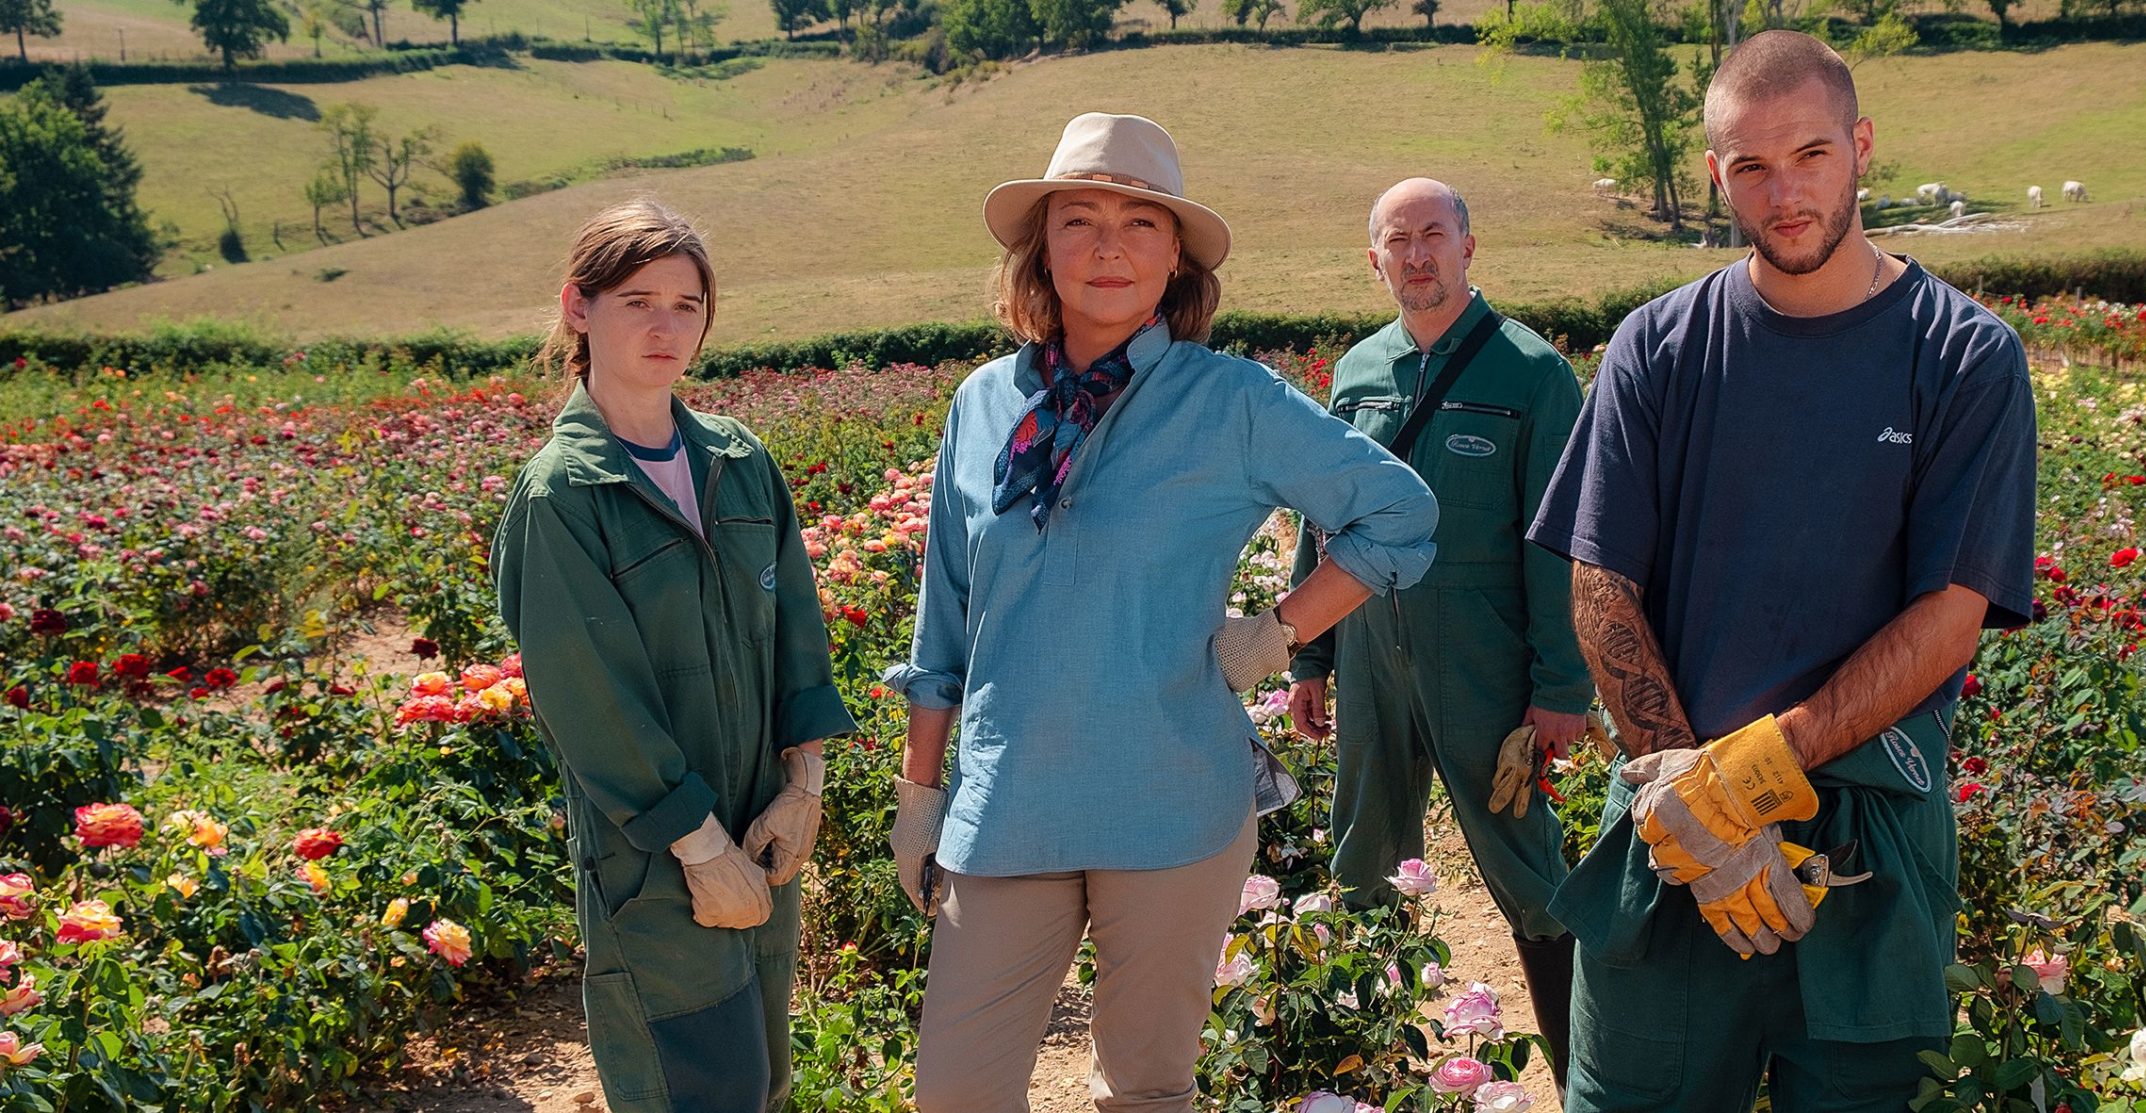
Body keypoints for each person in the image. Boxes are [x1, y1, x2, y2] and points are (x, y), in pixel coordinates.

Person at [882, 112, 1441, 1113]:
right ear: (1039, 248)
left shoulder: (1227, 400)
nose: (1106, 247)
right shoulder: (981, 404)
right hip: (1009, 804)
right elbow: (944, 623)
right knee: (954, 1094)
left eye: (1139, 224)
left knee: (1143, 1091)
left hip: (1171, 799)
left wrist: (1273, 635)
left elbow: (1398, 510)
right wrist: (920, 796)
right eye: (1078, 220)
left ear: (1174, 256)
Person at [1525, 31, 2040, 1112]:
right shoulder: (1657, 346)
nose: (1784, 192)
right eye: (1750, 167)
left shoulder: (1961, 355)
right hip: (1668, 838)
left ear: (1859, 148)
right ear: (1718, 176)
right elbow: (1600, 587)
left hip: (1865, 842)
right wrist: (1690, 803)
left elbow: (1949, 618)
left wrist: (1744, 782)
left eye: (1808, 155)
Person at [492, 198, 854, 1113]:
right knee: (696, 1085)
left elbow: (797, 631)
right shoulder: (565, 493)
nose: (666, 326)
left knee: (764, 1078)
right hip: (653, 855)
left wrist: (803, 782)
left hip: (762, 825)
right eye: (637, 301)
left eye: (687, 305)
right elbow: (589, 696)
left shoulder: (738, 461)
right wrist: (697, 845)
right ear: (579, 308)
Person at [1284, 177, 1593, 1071]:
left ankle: (1586, 1075)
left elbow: (1559, 543)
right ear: (1373, 258)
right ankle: (1365, 1071)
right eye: (1397, 240)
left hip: (1486, 664)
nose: (1416, 255)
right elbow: (1323, 522)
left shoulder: (1531, 374)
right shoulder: (1356, 374)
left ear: (1468, 245)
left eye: (1432, 235)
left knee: (1530, 873)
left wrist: (1560, 688)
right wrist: (1310, 657)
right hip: (1373, 656)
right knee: (1361, 861)